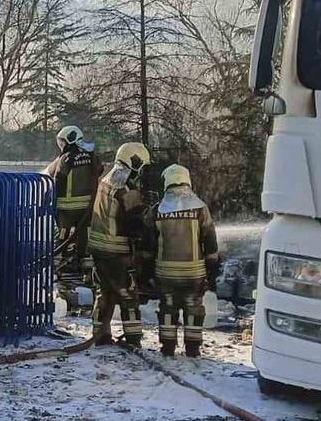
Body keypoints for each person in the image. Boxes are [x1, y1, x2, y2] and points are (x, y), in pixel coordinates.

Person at [140, 165, 220, 357]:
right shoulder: (200, 208)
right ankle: (192, 348)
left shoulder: (157, 210)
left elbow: (148, 247)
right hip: (194, 273)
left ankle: (168, 347)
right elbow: (210, 242)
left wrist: (147, 273)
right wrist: (212, 272)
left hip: (165, 273)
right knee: (194, 309)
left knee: (168, 308)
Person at [86, 142, 151, 347]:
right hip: (117, 252)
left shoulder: (106, 179)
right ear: (135, 162)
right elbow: (134, 223)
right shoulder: (126, 188)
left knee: (104, 292)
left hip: (98, 249)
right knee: (128, 294)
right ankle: (133, 339)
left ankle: (100, 335)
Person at [42, 125, 102, 306]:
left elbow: (58, 179)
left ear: (68, 140)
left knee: (63, 240)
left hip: (66, 209)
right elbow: (99, 169)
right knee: (85, 241)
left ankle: (62, 273)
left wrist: (49, 200)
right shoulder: (91, 156)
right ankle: (87, 275)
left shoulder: (66, 158)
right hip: (87, 209)